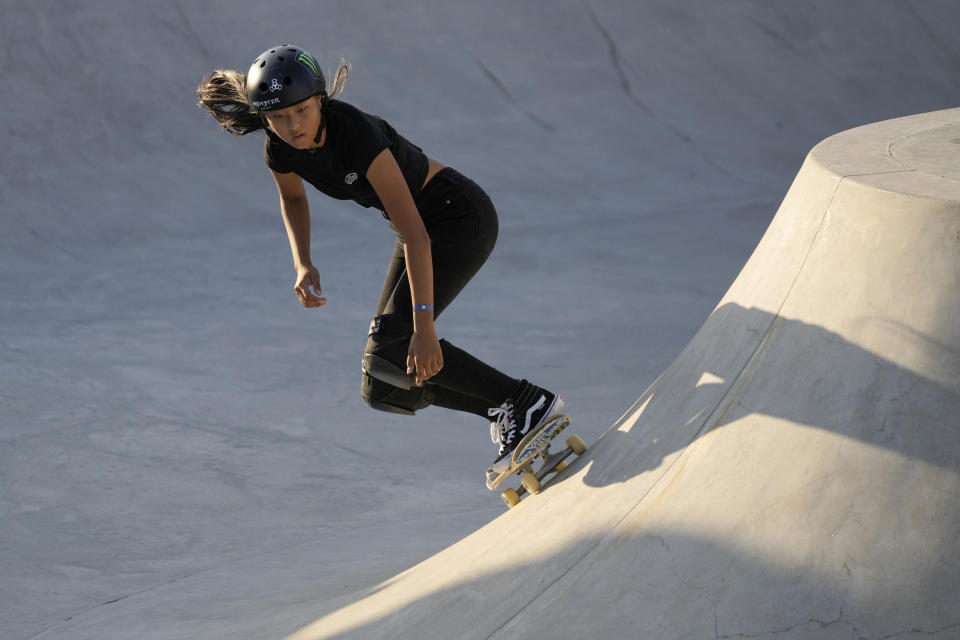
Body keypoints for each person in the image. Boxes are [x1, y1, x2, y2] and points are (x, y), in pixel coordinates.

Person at [197, 44, 564, 488]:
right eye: (277, 117)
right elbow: (292, 198)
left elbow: (417, 235)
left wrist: (424, 329)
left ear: (321, 100)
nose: (291, 126)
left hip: (456, 216)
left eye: (301, 111)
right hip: (417, 230)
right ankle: (510, 408)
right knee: (384, 384)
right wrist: (303, 262)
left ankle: (527, 404)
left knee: (401, 345)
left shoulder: (355, 132)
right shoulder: (280, 149)